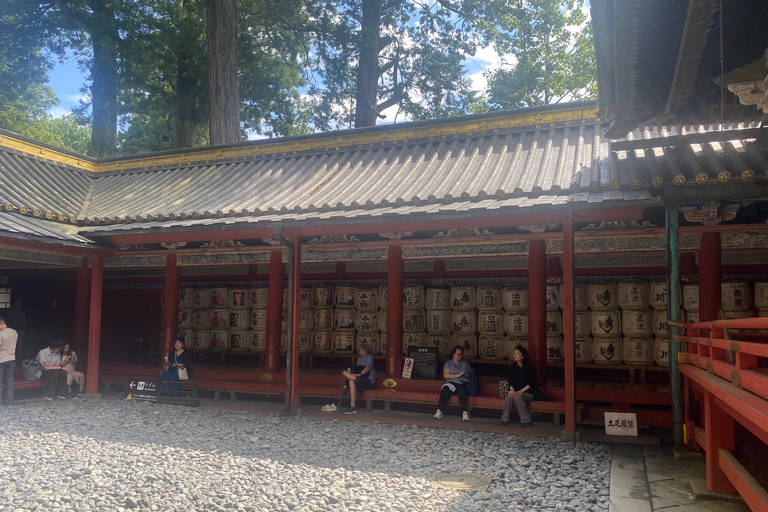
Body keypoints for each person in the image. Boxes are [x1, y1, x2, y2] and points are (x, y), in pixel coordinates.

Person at [501, 345, 538, 428]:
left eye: (517, 353)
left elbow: (531, 383)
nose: (515, 355)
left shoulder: (529, 367)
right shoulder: (512, 367)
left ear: (523, 356)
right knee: (509, 396)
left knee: (517, 397)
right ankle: (505, 418)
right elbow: (510, 381)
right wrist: (512, 390)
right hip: (515, 391)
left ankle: (526, 420)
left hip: (527, 392)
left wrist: (521, 391)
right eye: (514, 353)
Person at [434, 345, 472, 422]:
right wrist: (459, 374)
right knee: (445, 390)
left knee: (461, 392)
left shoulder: (465, 364)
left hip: (461, 383)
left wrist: (466, 375)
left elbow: (470, 373)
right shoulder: (449, 363)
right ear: (453, 354)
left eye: (461, 355)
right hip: (451, 383)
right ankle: (439, 410)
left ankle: (464, 412)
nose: (459, 356)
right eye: (458, 354)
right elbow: (446, 375)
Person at [341, 343, 376, 414]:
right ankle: (352, 406)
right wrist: (354, 375)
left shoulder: (369, 356)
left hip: (367, 379)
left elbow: (368, 367)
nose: (359, 351)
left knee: (352, 380)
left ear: (365, 349)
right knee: (346, 375)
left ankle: (355, 379)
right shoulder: (359, 359)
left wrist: (359, 374)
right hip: (357, 379)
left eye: (361, 349)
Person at [0, 316, 19, 408]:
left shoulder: (0, 334)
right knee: (9, 381)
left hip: (1, 359)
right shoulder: (14, 332)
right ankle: (9, 402)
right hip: (11, 358)